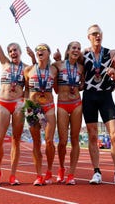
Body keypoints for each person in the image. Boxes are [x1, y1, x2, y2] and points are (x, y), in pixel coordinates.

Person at [0, 24, 35, 185]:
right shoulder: (5, 64)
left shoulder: (27, 69)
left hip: (19, 104)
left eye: (16, 50)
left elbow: (37, 74)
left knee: (16, 140)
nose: (13, 52)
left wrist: (34, 58)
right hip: (4, 103)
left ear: (20, 52)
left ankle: (13, 175)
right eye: (11, 50)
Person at [82, 24, 115, 186]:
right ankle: (96, 172)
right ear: (89, 37)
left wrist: (114, 74)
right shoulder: (83, 54)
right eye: (93, 34)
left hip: (106, 96)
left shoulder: (110, 54)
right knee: (93, 135)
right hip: (89, 96)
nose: (97, 36)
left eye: (99, 34)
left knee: (114, 135)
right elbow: (76, 72)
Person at [24, 43, 57, 186]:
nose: (39, 51)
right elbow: (25, 89)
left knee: (49, 141)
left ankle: (49, 170)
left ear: (48, 53)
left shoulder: (54, 70)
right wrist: (26, 106)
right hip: (33, 108)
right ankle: (38, 175)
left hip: (48, 107)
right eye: (37, 50)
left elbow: (56, 89)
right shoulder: (28, 70)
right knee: (36, 142)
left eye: (43, 49)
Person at [52, 41, 84, 185]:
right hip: (62, 104)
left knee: (75, 139)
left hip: (77, 103)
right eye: (74, 48)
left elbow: (82, 85)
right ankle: (61, 168)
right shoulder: (58, 65)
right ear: (68, 50)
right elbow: (47, 74)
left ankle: (71, 173)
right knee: (63, 141)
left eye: (79, 48)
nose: (76, 50)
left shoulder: (82, 68)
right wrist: (56, 59)